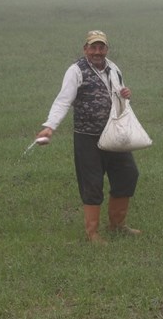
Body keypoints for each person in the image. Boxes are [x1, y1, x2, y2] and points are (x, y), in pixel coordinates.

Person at [37, 30, 141, 243]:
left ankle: (117, 225)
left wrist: (125, 95)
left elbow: (119, 95)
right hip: (87, 138)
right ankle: (92, 233)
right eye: (93, 47)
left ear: (106, 49)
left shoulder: (114, 68)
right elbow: (63, 100)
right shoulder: (76, 71)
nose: (97, 51)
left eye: (101, 47)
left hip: (115, 135)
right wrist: (50, 126)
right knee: (92, 183)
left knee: (128, 175)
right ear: (85, 49)